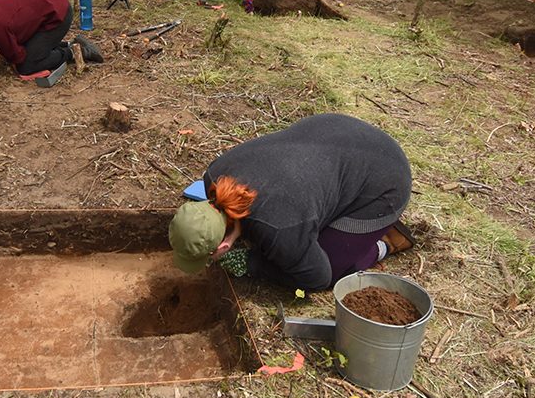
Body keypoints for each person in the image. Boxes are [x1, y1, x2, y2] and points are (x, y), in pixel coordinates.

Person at [167, 115, 414, 291]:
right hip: (338, 133)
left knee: (331, 271)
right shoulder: (214, 174)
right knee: (300, 235)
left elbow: (316, 278)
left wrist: (251, 263)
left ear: (221, 247)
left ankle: (384, 243)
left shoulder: (279, 228)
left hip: (386, 180)